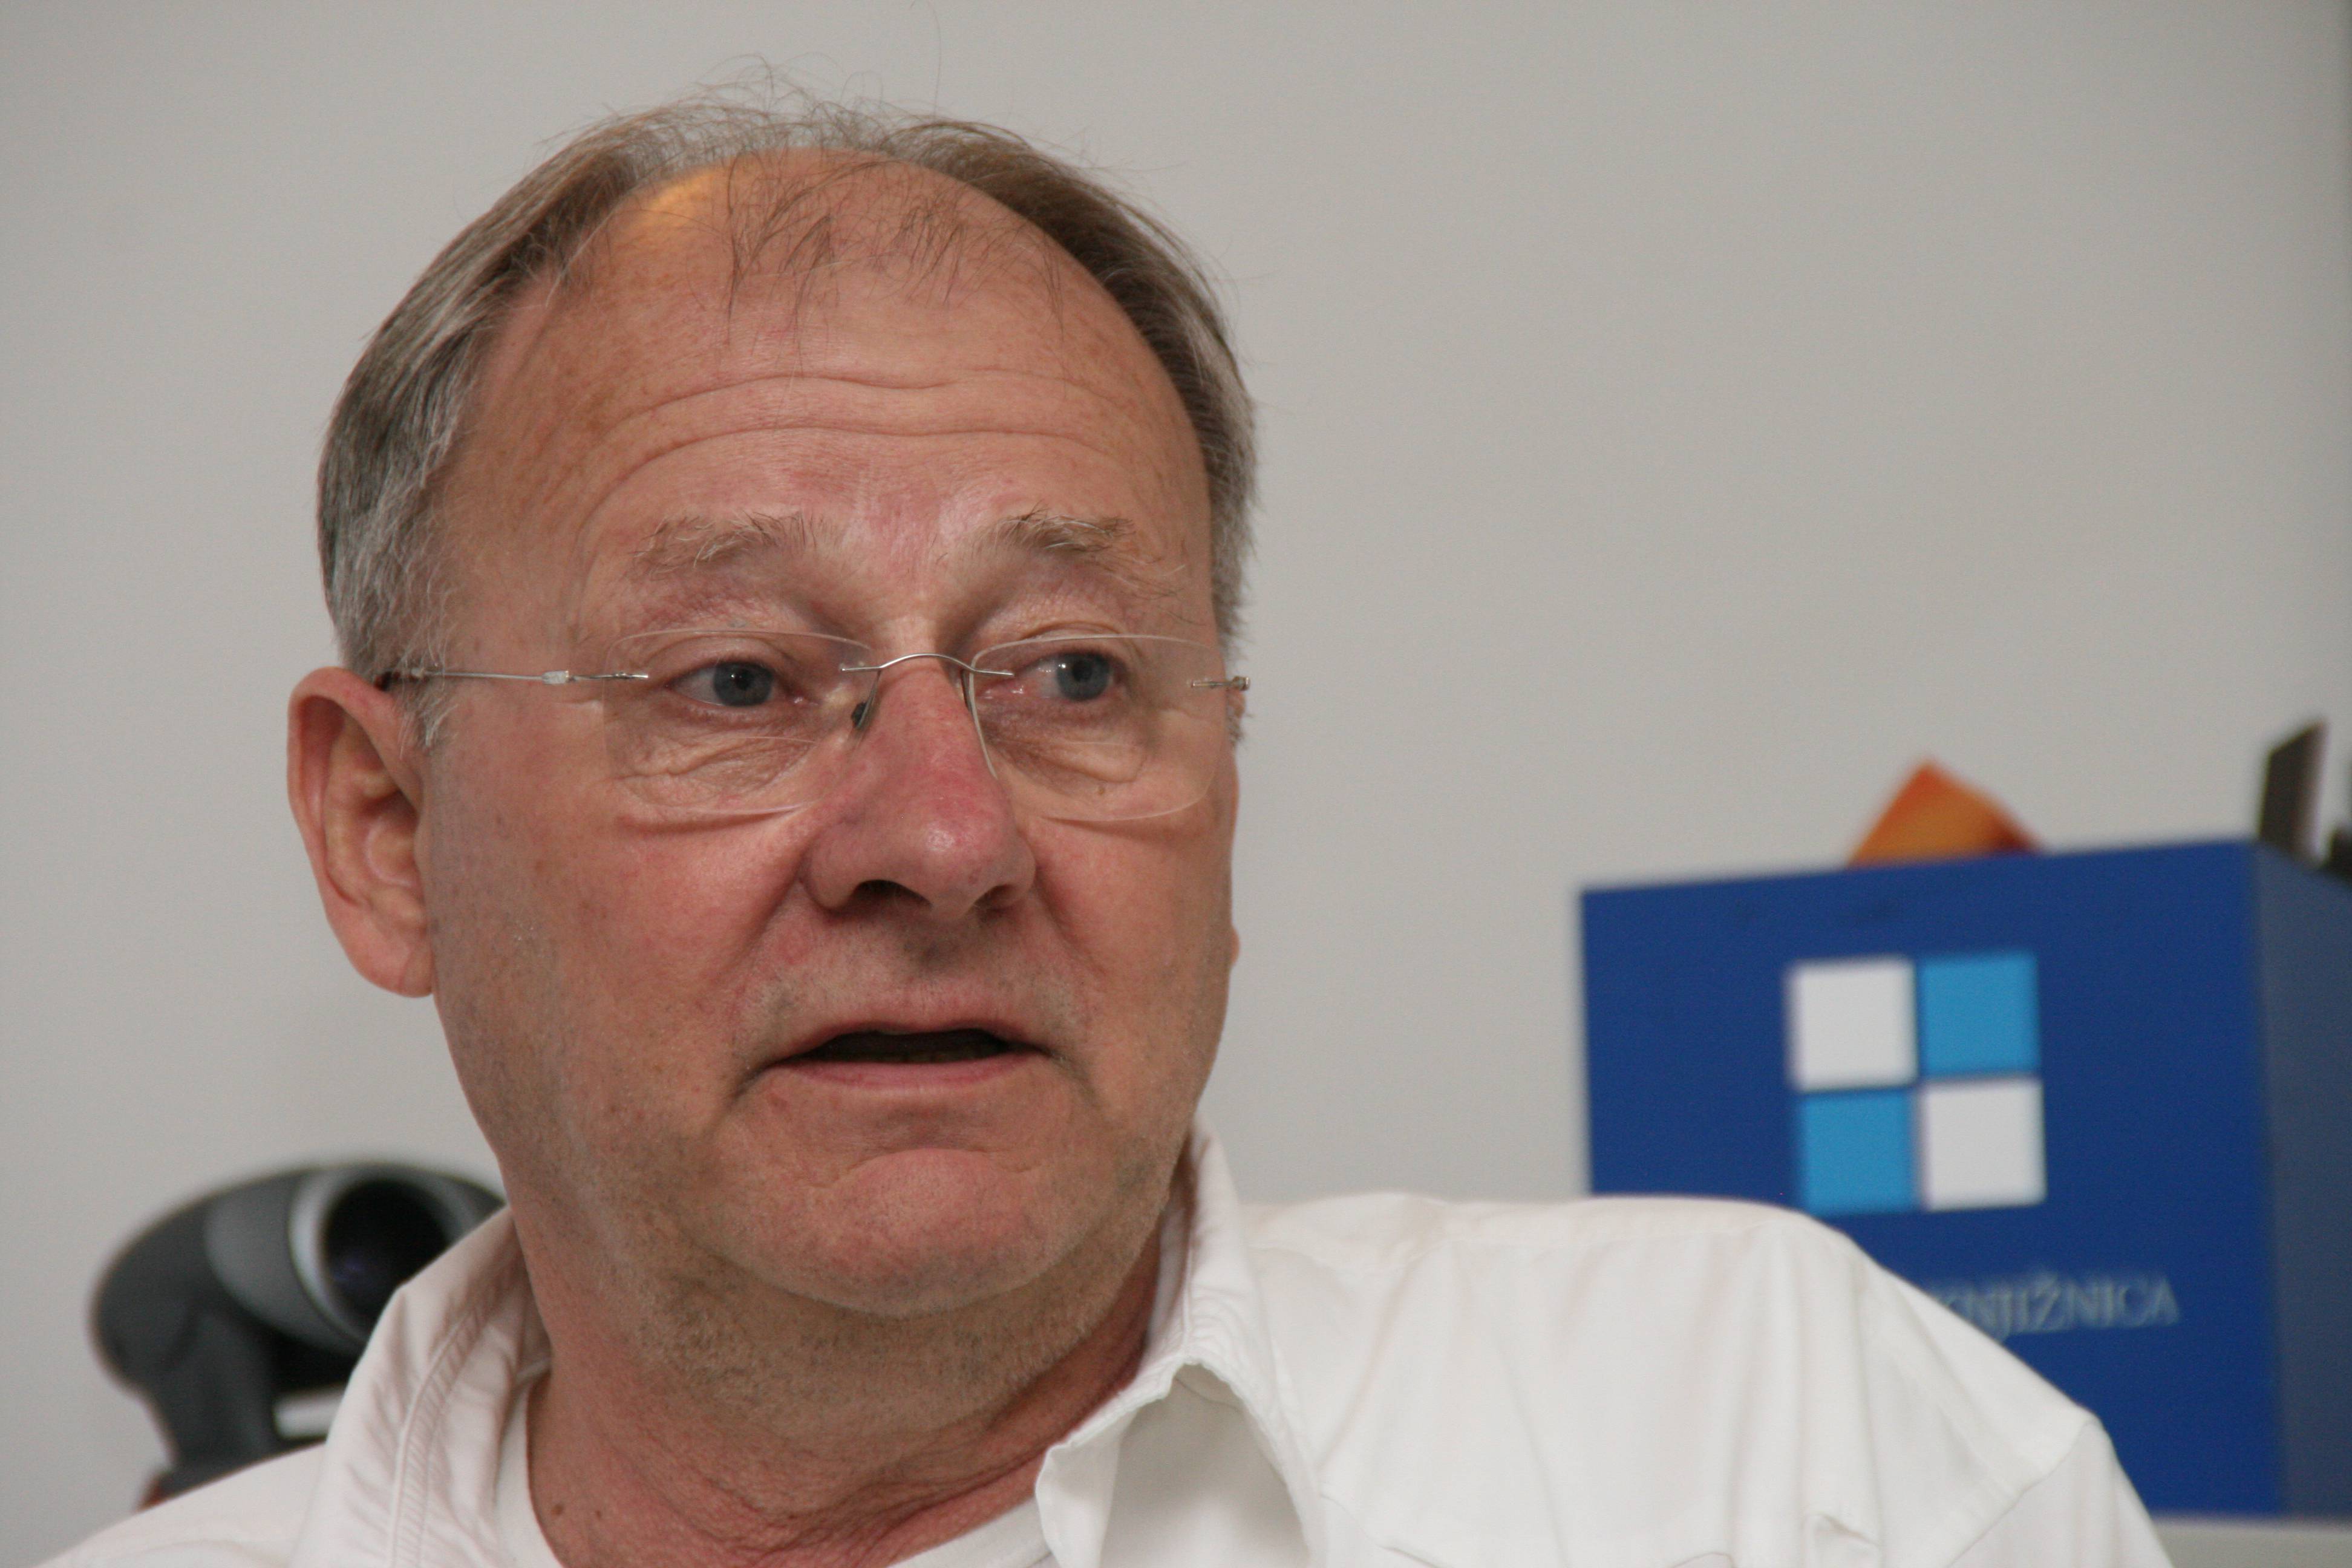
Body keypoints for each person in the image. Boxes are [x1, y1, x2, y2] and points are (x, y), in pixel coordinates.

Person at [52, 91, 2171, 1568]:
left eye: (1072, 674)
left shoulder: (1787, 1460)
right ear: (387, 831)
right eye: (738, 683)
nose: (943, 834)